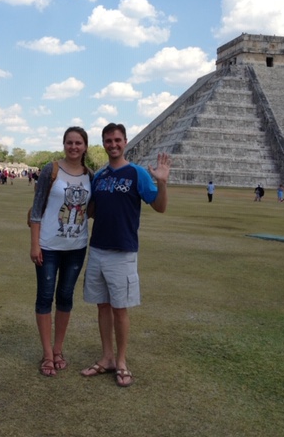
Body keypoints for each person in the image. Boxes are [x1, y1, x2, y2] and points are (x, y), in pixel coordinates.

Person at [80, 123, 170, 388]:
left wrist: (162, 183)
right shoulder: (100, 176)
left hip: (123, 251)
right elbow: (93, 210)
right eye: (108, 140)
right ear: (104, 143)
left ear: (125, 141)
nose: (113, 144)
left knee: (120, 309)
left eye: (117, 140)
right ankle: (106, 357)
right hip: (97, 249)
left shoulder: (137, 173)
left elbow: (160, 207)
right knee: (103, 306)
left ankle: (121, 361)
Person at [29, 127, 93, 377]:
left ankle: (58, 349)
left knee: (66, 297)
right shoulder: (51, 170)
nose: (74, 147)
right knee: (45, 296)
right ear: (64, 144)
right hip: (48, 245)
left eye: (78, 143)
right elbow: (36, 209)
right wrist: (34, 244)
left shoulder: (91, 175)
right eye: (70, 142)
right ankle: (46, 353)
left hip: (76, 247)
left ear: (85, 146)